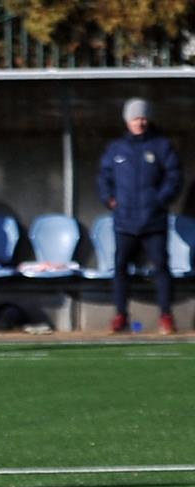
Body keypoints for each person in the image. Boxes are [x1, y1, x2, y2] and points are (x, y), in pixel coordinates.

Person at [98, 97, 183, 335]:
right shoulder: (116, 149)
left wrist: (160, 200)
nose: (140, 122)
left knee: (161, 268)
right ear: (127, 121)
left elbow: (174, 177)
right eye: (135, 118)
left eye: (143, 117)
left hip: (154, 221)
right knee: (120, 268)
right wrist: (109, 199)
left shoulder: (161, 146)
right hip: (124, 221)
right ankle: (120, 315)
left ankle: (166, 316)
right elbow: (104, 177)